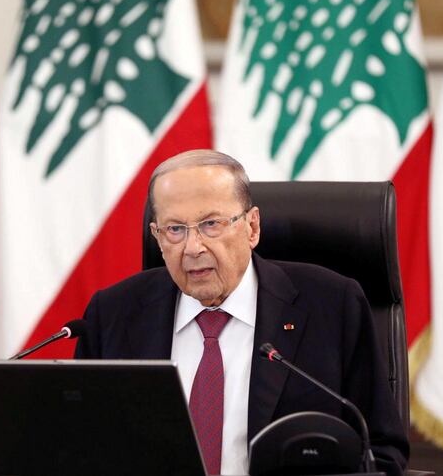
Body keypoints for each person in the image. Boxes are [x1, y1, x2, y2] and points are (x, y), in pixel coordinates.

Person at [73, 149, 409, 475]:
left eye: (210, 224)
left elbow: (381, 450)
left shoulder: (333, 306)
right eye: (175, 229)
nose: (192, 248)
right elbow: (77, 446)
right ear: (157, 238)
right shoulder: (113, 315)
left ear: (252, 227)